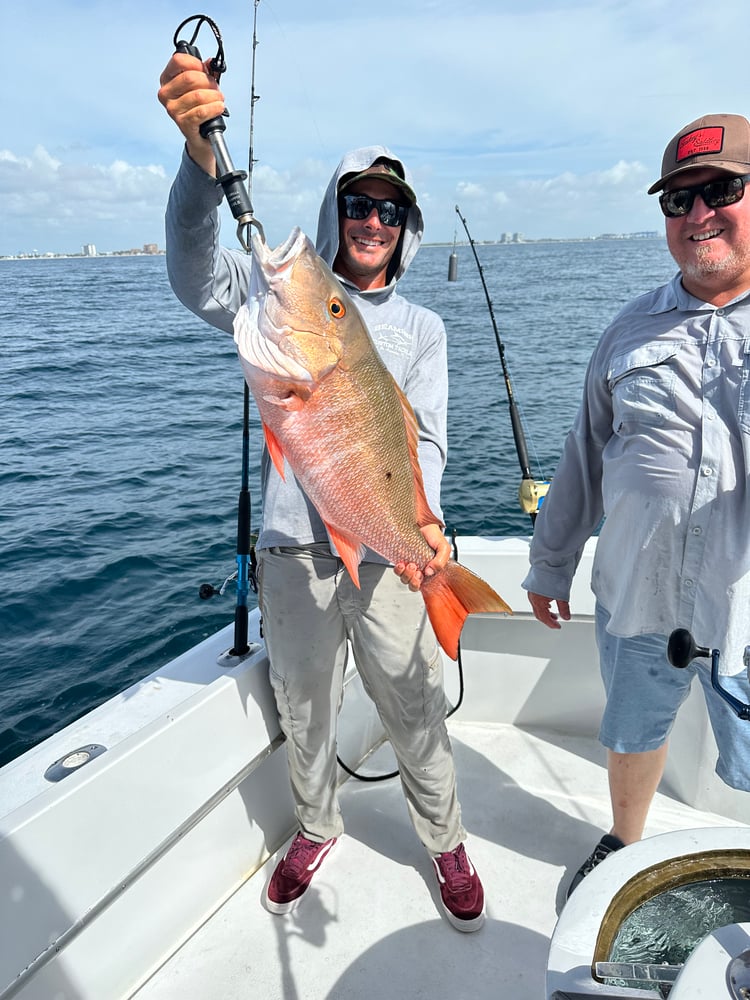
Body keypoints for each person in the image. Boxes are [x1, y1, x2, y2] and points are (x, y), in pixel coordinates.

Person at [157, 50, 485, 932]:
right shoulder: (280, 301)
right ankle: (315, 823)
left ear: (405, 227)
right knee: (304, 703)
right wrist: (198, 162)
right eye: (357, 202)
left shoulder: (421, 327)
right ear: (334, 210)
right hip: (293, 550)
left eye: (389, 209)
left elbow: (427, 443)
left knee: (412, 702)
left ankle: (446, 841)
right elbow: (193, 270)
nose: (371, 219)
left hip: (385, 551)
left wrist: (422, 533)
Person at [523, 112, 750, 898]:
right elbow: (583, 454)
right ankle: (623, 840)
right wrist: (550, 563)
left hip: (744, 607)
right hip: (639, 589)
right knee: (631, 727)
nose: (698, 215)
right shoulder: (627, 329)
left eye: (722, 190)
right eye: (678, 200)